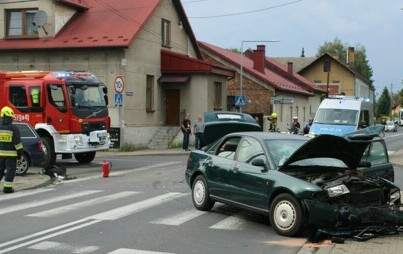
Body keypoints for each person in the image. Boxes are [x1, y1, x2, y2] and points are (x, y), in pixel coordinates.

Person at [0, 106, 23, 193]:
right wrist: (20, 154)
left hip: (0, 154)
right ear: (11, 117)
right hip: (11, 155)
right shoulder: (14, 128)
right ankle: (7, 188)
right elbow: (18, 144)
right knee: (10, 171)